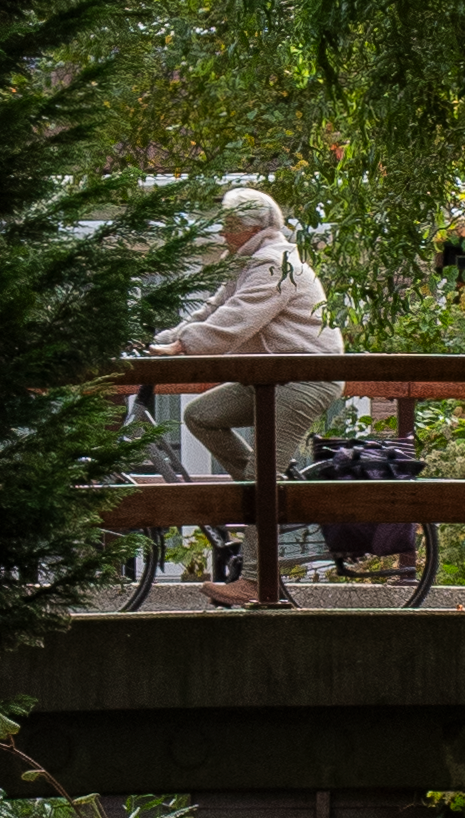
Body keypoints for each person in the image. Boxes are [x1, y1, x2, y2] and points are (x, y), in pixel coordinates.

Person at [147, 186, 344, 607]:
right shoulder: (247, 263)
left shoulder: (275, 264)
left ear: (253, 228)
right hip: (271, 377)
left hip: (304, 379)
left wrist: (185, 346)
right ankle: (268, 501)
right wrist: (163, 341)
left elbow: (236, 320)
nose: (222, 232)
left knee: (261, 477)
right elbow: (212, 311)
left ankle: (254, 578)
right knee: (201, 416)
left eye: (229, 225)